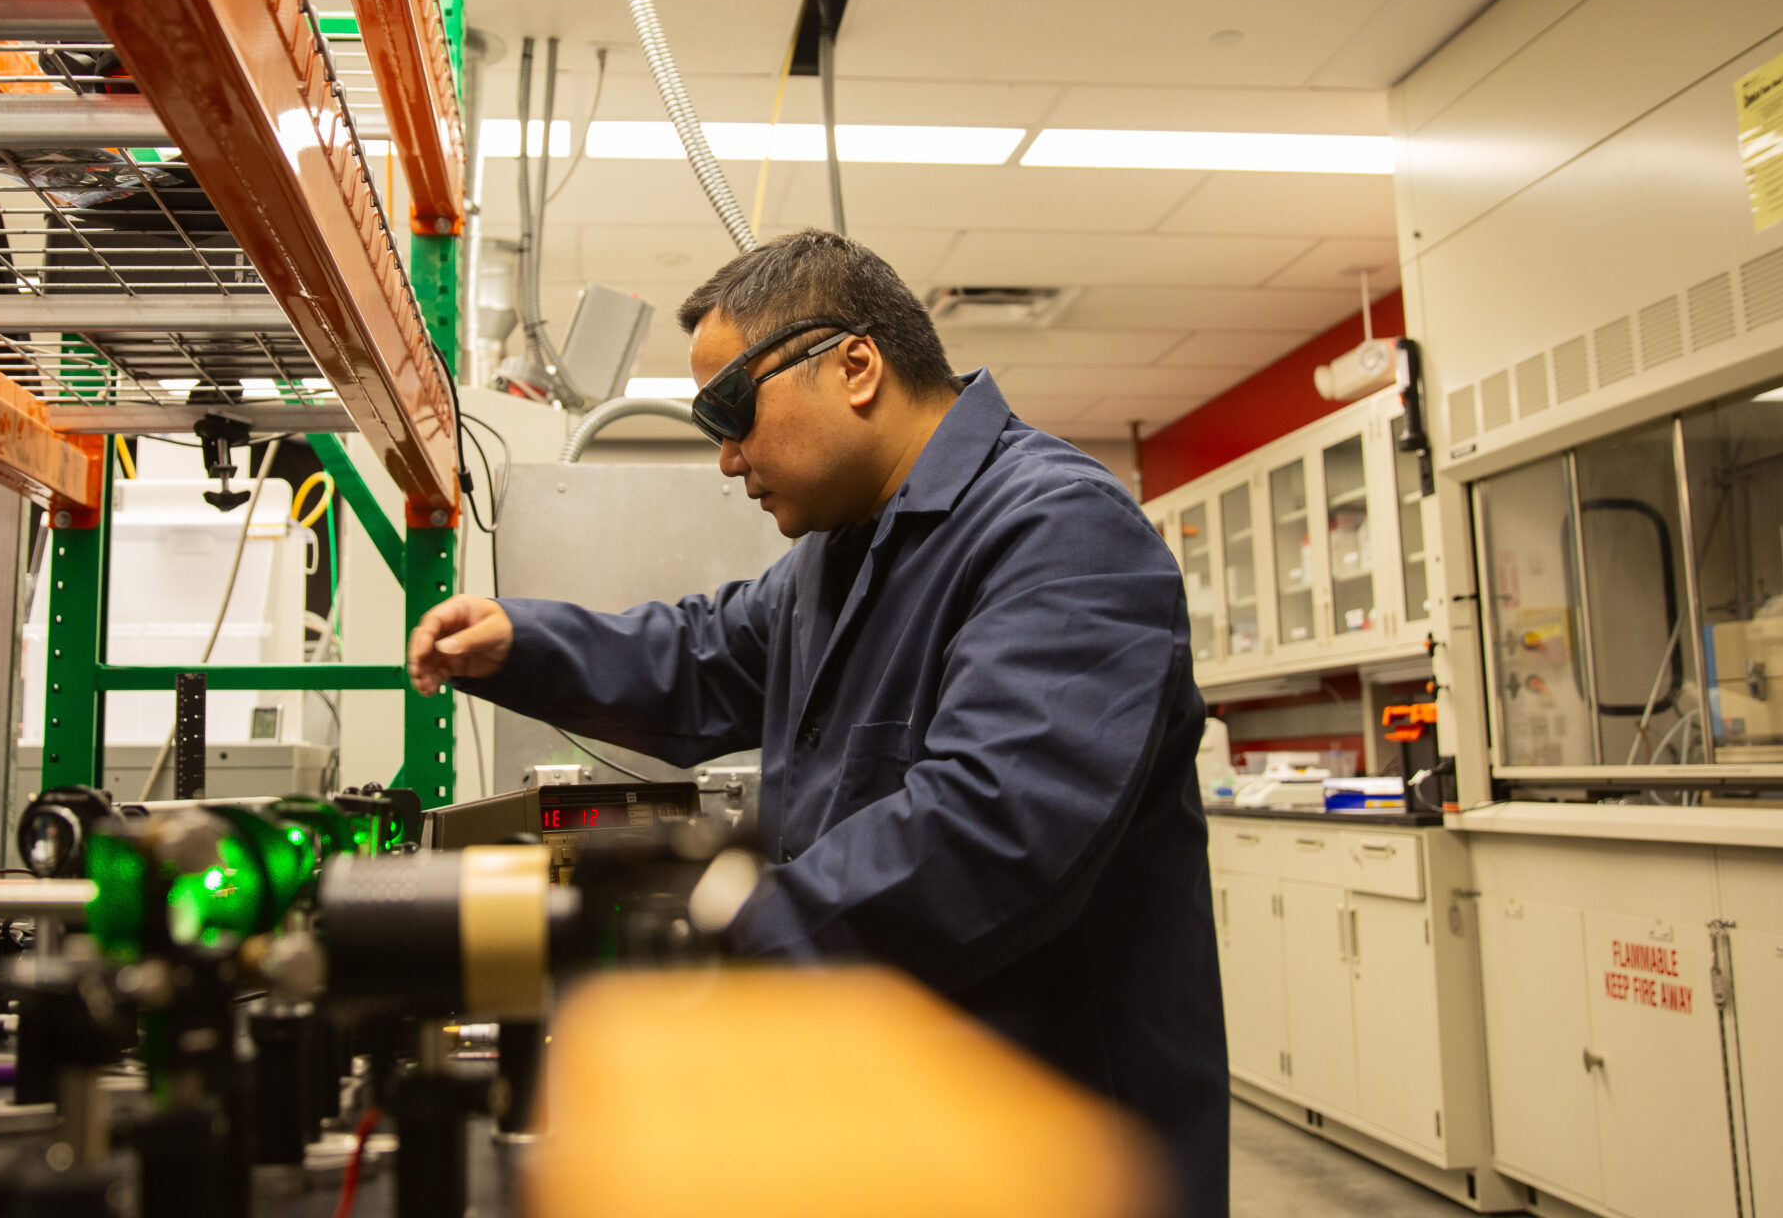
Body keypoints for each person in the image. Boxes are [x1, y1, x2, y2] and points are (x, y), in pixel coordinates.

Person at [409, 229, 1226, 1217]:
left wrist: (691, 933)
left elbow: (989, 830)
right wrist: (519, 642)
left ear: (854, 365)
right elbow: (701, 657)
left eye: (733, 411)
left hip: (1049, 1141)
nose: (724, 457)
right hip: (883, 1109)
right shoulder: (833, 562)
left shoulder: (1058, 531)